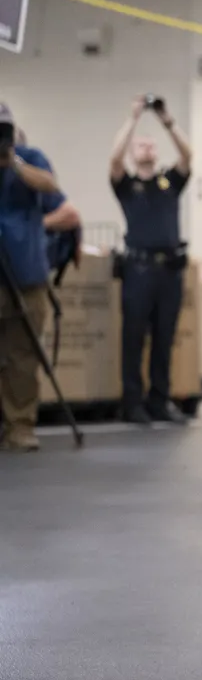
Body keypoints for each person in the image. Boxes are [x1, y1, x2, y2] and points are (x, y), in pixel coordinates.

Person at [108, 96, 194, 425]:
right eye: (140, 144)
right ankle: (133, 401)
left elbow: (188, 155)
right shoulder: (128, 186)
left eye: (150, 143)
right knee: (134, 337)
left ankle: (160, 399)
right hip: (138, 270)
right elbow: (114, 159)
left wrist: (166, 120)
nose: (146, 147)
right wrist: (132, 121)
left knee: (164, 336)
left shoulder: (168, 183)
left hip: (169, 270)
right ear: (133, 151)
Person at [0, 103, 62, 452]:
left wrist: (14, 162)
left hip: (27, 274)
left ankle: (20, 425)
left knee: (23, 355)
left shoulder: (30, 157)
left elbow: (51, 186)